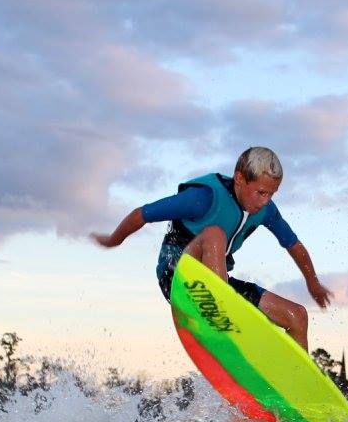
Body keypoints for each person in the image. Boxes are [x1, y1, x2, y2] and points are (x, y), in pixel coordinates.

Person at [91, 146, 332, 350]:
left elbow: (294, 245)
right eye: (260, 192)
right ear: (239, 179)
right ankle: (222, 320)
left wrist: (313, 282)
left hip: (216, 284)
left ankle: (296, 383)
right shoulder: (205, 198)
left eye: (271, 194)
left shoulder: (266, 211)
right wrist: (113, 240)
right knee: (215, 234)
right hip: (178, 276)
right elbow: (141, 214)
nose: (265, 201)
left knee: (297, 316)